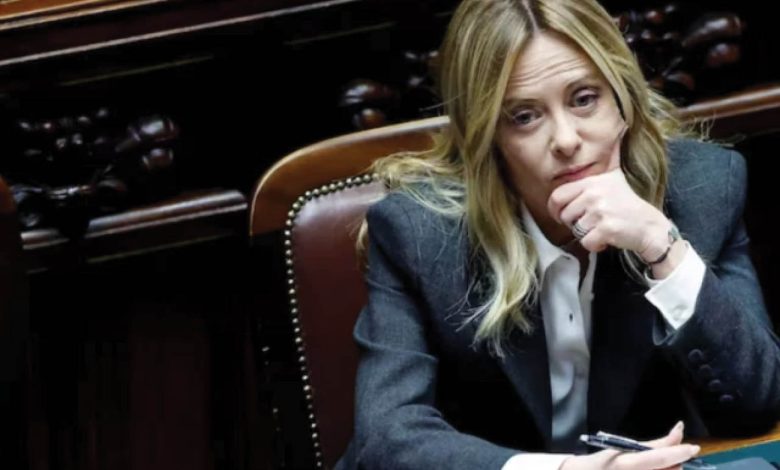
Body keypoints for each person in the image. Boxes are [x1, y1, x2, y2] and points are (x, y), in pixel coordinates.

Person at [335, 0, 780, 468]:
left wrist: (661, 245)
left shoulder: (702, 191)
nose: (566, 140)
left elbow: (760, 401)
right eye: (524, 116)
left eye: (584, 99)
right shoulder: (417, 233)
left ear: (623, 99)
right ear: (488, 136)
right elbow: (386, 437)